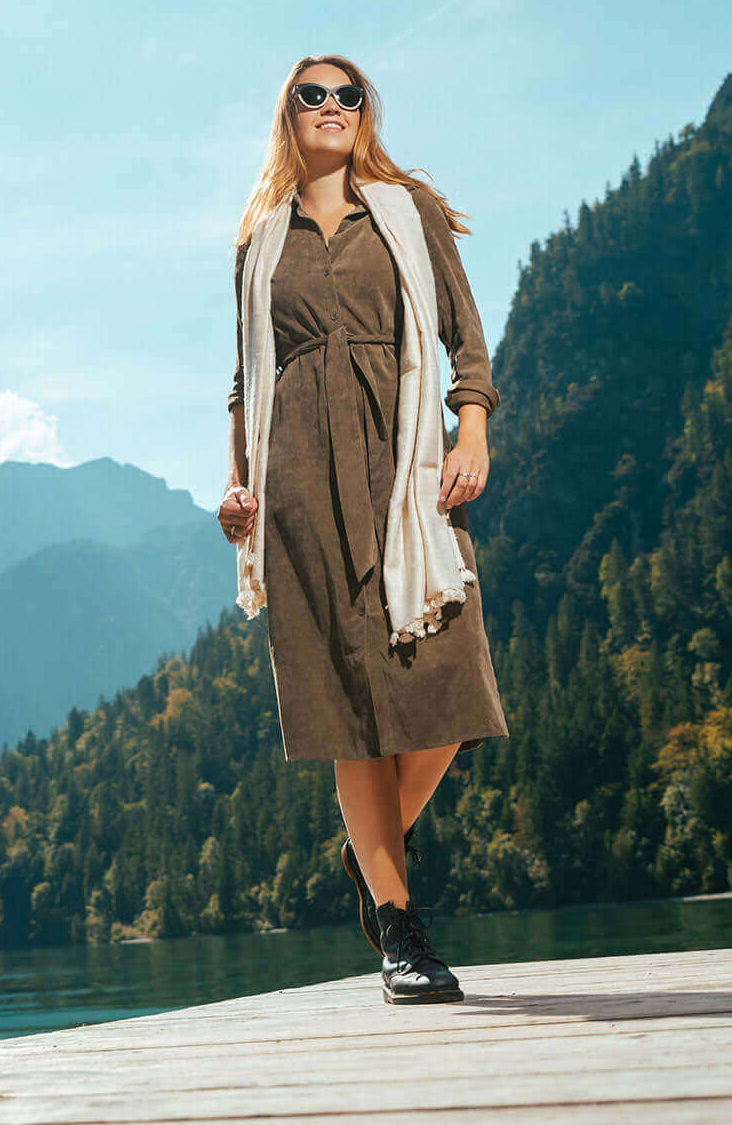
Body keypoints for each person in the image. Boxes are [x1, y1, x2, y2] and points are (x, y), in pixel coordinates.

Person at [217, 54, 509, 1005]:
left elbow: (465, 336)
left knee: (451, 683)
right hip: (295, 477)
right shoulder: (258, 239)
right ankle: (398, 925)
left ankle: (365, 850)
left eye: (350, 96)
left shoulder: (407, 213)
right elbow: (243, 381)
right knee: (346, 702)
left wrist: (473, 433)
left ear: (365, 115)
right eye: (315, 95)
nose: (334, 107)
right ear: (288, 115)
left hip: (404, 463)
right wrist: (237, 486)